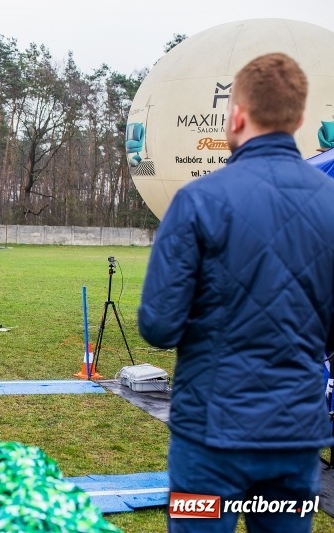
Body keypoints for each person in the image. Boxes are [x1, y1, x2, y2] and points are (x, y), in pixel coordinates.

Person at [138, 53, 334, 533]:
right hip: (294, 438)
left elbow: (159, 325)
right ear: (299, 119)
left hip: (209, 440)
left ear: (237, 114)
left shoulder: (198, 201)